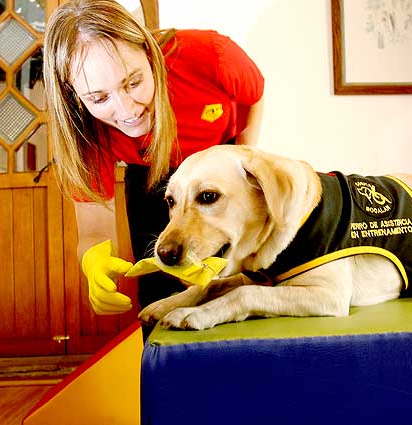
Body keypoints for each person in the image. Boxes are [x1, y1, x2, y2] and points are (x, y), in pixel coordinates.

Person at [43, 0, 264, 317]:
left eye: (133, 82)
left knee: (234, 281)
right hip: (149, 175)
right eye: (99, 98)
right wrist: (93, 261)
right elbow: (94, 229)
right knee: (160, 291)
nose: (127, 110)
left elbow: (254, 97)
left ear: (148, 53)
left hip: (219, 157)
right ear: (75, 95)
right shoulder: (84, 127)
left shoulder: (212, 55)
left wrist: (242, 160)